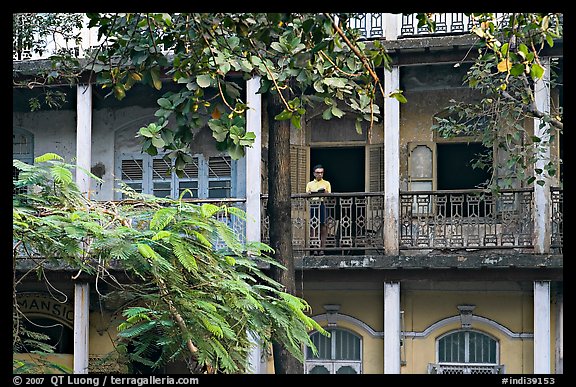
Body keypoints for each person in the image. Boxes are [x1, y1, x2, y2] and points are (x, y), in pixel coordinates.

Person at [306, 164, 331, 255]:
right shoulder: (310, 184)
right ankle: (315, 248)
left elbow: (329, 195)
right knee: (313, 227)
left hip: (322, 204)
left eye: (321, 173)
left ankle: (322, 248)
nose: (320, 174)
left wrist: (325, 192)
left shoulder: (326, 183)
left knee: (323, 226)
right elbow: (307, 195)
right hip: (313, 205)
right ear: (314, 174)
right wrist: (310, 193)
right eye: (318, 173)